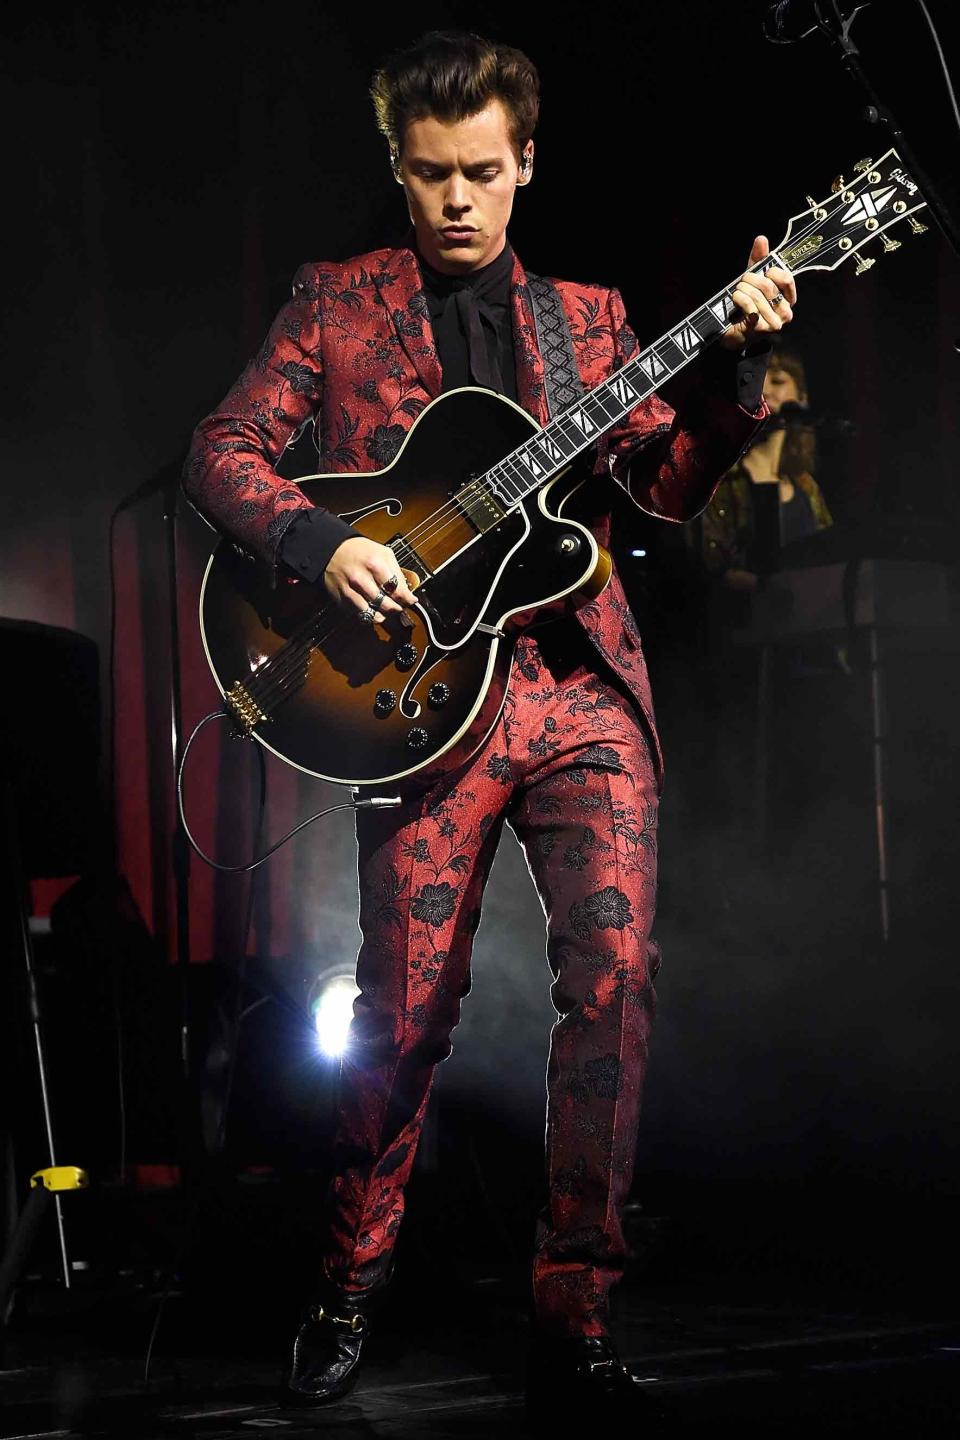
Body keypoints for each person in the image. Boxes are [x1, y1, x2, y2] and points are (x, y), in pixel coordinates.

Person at [182, 29, 795, 1423]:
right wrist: (321, 541)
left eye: (482, 172)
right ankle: (347, 1279)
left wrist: (733, 374)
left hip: (575, 684)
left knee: (617, 986)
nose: (457, 200)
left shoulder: (591, 319)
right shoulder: (336, 305)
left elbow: (668, 489)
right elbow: (223, 452)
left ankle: (574, 1312)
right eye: (429, 174)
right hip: (413, 706)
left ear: (527, 164)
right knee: (400, 1017)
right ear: (397, 171)